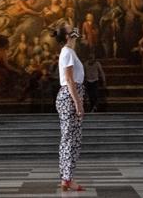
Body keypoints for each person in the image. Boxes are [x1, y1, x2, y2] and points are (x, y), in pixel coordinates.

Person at [54, 24, 86, 192]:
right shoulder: (67, 52)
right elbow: (69, 80)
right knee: (70, 139)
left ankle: (66, 178)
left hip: (70, 96)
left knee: (71, 138)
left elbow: (77, 31)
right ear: (67, 36)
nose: (74, 30)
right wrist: (78, 103)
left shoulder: (70, 51)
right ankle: (67, 178)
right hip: (69, 96)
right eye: (70, 29)